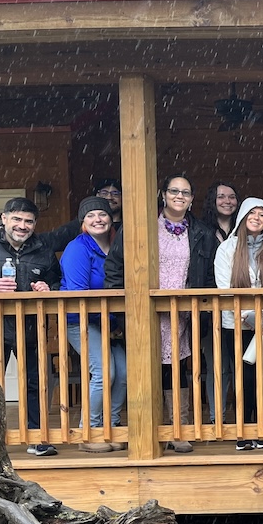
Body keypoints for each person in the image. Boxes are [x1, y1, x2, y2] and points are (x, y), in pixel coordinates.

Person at [106, 174, 217, 453]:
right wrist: (121, 307)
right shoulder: (141, 227)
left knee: (177, 369)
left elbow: (209, 275)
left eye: (185, 192)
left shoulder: (202, 233)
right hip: (144, 311)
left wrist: (200, 307)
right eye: (174, 191)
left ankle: (178, 429)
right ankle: (147, 429)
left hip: (182, 314)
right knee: (146, 369)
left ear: (192, 199)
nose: (179, 196)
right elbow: (115, 266)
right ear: (163, 195)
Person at [0, 198, 61, 456]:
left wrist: (48, 288)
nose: (22, 226)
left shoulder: (44, 251)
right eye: (17, 219)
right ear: (4, 219)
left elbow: (58, 282)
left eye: (28, 221)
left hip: (31, 329)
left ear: (35, 224)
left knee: (35, 384)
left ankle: (37, 439)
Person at [215, 198, 263, 451]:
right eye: (252, 213)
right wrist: (250, 317)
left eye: (262, 215)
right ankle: (243, 431)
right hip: (236, 323)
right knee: (244, 376)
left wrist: (262, 318)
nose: (257, 218)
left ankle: (262, 430)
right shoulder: (227, 248)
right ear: (243, 218)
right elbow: (224, 288)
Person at [59, 196, 126, 453]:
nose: (98, 219)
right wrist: (111, 323)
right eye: (91, 216)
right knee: (104, 372)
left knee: (124, 373)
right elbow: (80, 296)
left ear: (111, 218)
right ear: (83, 222)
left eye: (102, 214)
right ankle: (89, 431)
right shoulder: (77, 248)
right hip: (81, 320)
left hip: (110, 321)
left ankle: (111, 427)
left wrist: (114, 323)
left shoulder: (117, 245)